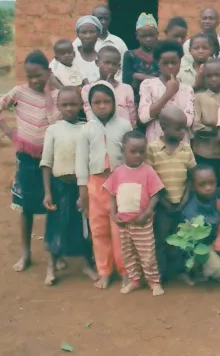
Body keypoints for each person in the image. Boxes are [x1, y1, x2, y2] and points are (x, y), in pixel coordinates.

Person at [0, 51, 60, 273]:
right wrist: (10, 133)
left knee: (53, 207)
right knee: (26, 207)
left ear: (49, 72)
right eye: (30, 76)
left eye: (39, 75)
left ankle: (54, 254)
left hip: (52, 162)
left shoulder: (58, 96)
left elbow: (55, 121)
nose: (34, 80)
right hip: (27, 159)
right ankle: (25, 253)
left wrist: (50, 92)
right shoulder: (19, 92)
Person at [76, 81, 132, 289]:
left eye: (106, 101)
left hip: (120, 184)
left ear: (114, 103)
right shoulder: (86, 130)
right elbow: (81, 161)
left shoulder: (124, 126)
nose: (102, 106)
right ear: (90, 105)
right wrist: (83, 191)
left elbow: (131, 156)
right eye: (96, 102)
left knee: (120, 231)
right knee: (98, 230)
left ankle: (125, 271)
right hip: (95, 185)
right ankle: (104, 271)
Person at [40, 87, 97, 285]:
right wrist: (47, 192)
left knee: (84, 227)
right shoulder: (53, 130)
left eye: (73, 104)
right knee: (56, 226)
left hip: (81, 187)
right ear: (58, 106)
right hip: (59, 186)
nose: (69, 108)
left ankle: (87, 264)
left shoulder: (87, 128)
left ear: (81, 105)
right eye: (64, 105)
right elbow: (46, 163)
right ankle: (51, 266)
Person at [103, 130, 165, 296]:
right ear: (123, 150)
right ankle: (134, 280)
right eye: (133, 151)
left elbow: (155, 195)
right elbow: (112, 195)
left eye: (141, 152)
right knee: (128, 254)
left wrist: (147, 213)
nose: (138, 155)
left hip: (142, 223)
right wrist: (113, 214)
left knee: (147, 254)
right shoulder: (118, 172)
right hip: (123, 224)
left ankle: (154, 281)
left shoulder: (148, 171)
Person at [146, 106, 197, 283]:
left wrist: (184, 201)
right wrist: (163, 202)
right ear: (164, 127)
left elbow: (191, 178)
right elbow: (150, 180)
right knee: (161, 240)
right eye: (178, 128)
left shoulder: (186, 149)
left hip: (182, 204)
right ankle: (161, 273)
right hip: (162, 205)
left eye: (184, 128)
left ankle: (180, 271)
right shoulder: (152, 149)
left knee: (182, 239)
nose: (183, 132)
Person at [138, 40, 194, 142]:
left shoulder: (187, 89)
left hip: (181, 144)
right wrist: (168, 94)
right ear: (157, 63)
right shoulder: (148, 85)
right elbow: (144, 117)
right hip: (155, 141)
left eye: (174, 62)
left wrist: (158, 113)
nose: (170, 66)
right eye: (165, 63)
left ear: (180, 62)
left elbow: (189, 121)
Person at [180, 165, 220, 282]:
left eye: (212, 183)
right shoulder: (190, 210)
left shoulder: (218, 195)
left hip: (217, 239)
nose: (208, 188)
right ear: (193, 187)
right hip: (201, 246)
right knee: (217, 270)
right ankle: (198, 271)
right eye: (202, 184)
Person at [192, 59, 220, 181]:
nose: (213, 79)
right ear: (204, 77)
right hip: (203, 154)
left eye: (217, 75)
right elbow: (196, 127)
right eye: (209, 76)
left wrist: (210, 124)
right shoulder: (198, 98)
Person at [81, 46, 136, 127]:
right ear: (97, 62)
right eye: (107, 62)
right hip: (99, 131)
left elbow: (132, 117)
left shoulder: (126, 88)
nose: (110, 67)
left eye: (114, 64)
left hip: (124, 131)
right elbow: (90, 117)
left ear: (119, 66)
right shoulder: (88, 89)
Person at [72, 6, 128, 78]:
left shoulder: (119, 43)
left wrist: (112, 82)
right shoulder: (79, 41)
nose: (103, 22)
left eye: (106, 19)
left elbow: (123, 69)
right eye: (99, 18)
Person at [122, 13, 161, 101]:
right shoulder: (130, 55)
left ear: (157, 34)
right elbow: (127, 80)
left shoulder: (162, 55)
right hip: (135, 100)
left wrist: (138, 76)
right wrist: (156, 80)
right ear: (137, 36)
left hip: (159, 100)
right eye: (144, 36)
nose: (148, 39)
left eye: (151, 35)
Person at [74, 15, 103, 82]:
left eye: (92, 32)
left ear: (98, 34)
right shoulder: (69, 54)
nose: (88, 36)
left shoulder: (104, 57)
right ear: (78, 34)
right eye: (83, 32)